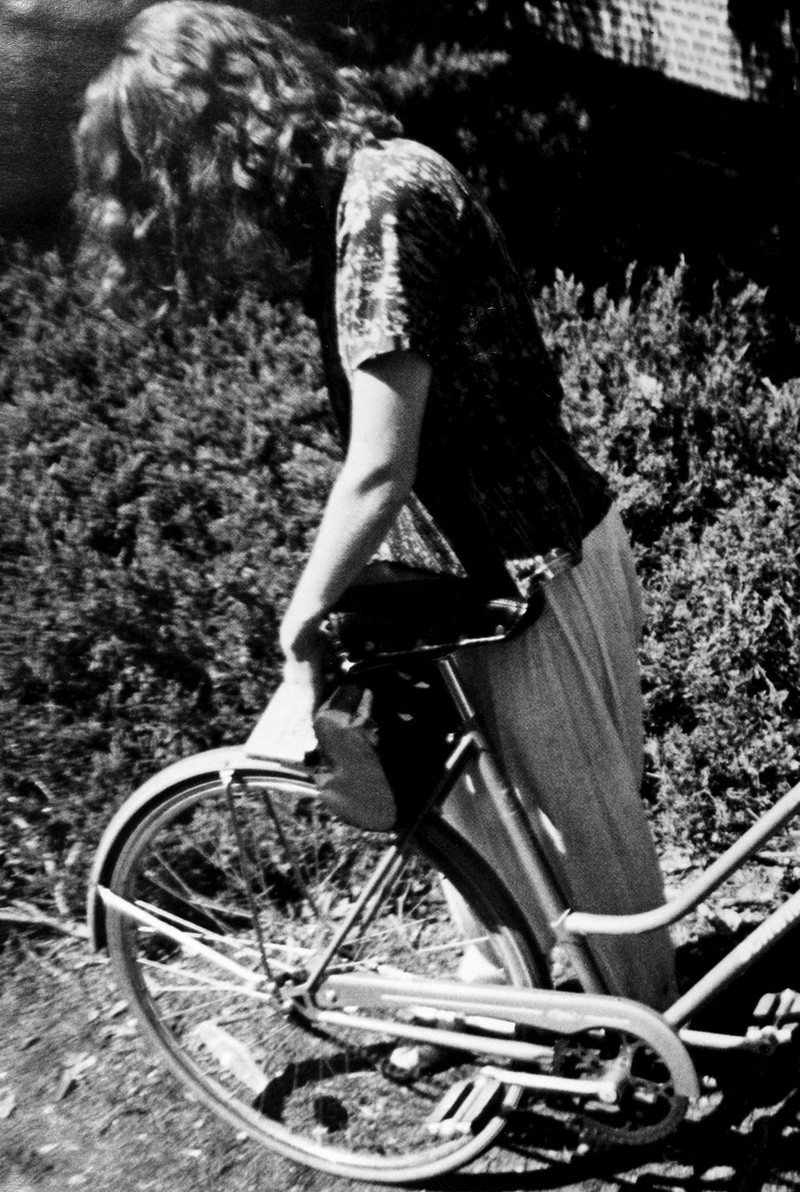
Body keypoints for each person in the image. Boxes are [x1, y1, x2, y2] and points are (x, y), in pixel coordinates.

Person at [75, 0, 677, 1009]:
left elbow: (379, 465)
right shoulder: (364, 195)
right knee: (487, 833)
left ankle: (631, 1048)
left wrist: (301, 615)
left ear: (220, 133)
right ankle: (524, 1023)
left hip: (527, 566)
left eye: (179, 169)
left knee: (584, 849)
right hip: (477, 576)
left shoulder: (383, 204)